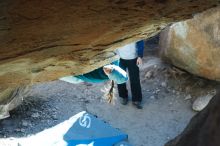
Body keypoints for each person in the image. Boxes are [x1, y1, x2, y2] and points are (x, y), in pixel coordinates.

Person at [59, 60, 128, 103]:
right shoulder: (115, 60)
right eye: (112, 68)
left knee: (64, 75)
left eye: (109, 71)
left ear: (109, 76)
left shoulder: (96, 77)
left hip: (76, 77)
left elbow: (78, 73)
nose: (107, 68)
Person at [116, 40, 144, 109]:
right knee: (120, 78)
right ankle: (123, 96)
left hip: (133, 58)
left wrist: (140, 56)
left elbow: (140, 41)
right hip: (119, 58)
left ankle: (136, 99)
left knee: (134, 79)